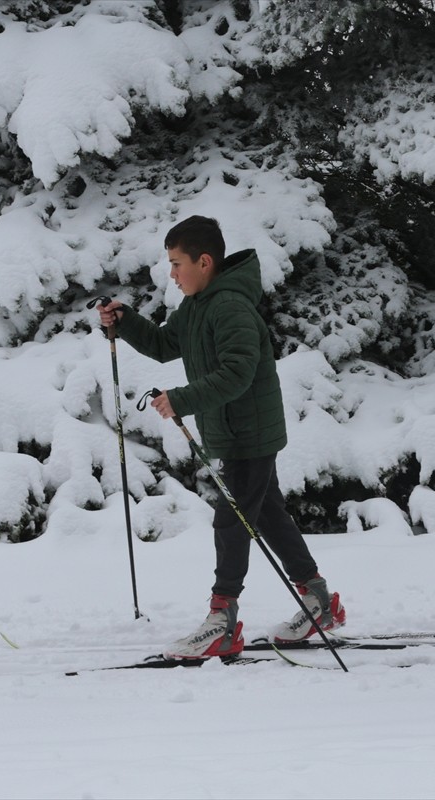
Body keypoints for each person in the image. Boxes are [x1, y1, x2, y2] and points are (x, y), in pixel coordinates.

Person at [94, 215, 345, 660]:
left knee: (232, 521)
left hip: (249, 432)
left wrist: (183, 399)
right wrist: (125, 322)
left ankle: (222, 622)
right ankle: (318, 600)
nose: (172, 274)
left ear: (204, 261)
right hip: (234, 431)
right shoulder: (198, 305)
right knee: (266, 514)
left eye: (176, 264)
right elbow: (164, 344)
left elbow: (238, 373)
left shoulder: (229, 306)